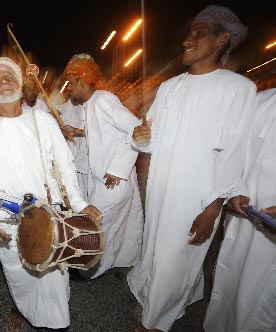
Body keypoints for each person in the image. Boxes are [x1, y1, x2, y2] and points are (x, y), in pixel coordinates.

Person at [127, 5, 257, 332]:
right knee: (161, 250)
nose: (189, 39)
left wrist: (214, 206)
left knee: (175, 257)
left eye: (200, 33)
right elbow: (152, 138)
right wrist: (142, 137)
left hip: (197, 194)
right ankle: (175, 298)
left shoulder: (237, 89)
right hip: (161, 187)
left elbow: (234, 152)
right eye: (189, 33)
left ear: (222, 40)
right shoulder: (171, 87)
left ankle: (154, 324)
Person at [0, 57, 102, 332]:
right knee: (20, 279)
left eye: (9, 77)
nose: (4, 82)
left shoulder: (43, 121)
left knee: (54, 287)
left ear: (20, 85)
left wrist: (79, 204)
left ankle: (57, 325)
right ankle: (23, 309)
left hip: (48, 217)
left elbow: (65, 166)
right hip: (8, 223)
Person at [61, 54, 144, 280]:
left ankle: (90, 269)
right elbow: (103, 133)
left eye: (71, 83)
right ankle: (102, 265)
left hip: (113, 180)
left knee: (94, 224)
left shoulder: (103, 100)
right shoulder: (91, 104)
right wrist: (77, 132)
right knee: (109, 226)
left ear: (81, 81)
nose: (68, 89)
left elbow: (136, 129)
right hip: (104, 179)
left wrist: (118, 169)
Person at [203, 88, 276, 331]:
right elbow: (230, 152)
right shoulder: (259, 101)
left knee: (264, 302)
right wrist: (234, 190)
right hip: (245, 218)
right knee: (229, 282)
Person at [59, 94, 88, 200]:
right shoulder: (64, 108)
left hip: (89, 164)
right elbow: (53, 114)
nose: (70, 89)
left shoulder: (89, 107)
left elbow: (100, 133)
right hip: (73, 163)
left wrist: (76, 132)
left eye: (72, 84)